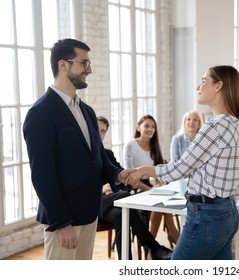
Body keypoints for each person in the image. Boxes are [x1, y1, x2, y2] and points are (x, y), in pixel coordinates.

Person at [22, 38, 133, 260]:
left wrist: (118, 174)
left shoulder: (88, 112)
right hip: (64, 221)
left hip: (89, 215)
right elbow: (43, 175)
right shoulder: (40, 113)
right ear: (63, 65)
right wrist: (61, 222)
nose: (89, 70)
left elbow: (99, 159)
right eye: (84, 63)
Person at [129, 65, 239, 260]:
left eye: (203, 81)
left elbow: (179, 169)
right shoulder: (237, 125)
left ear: (218, 86)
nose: (198, 86)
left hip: (207, 216)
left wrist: (143, 170)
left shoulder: (214, 128)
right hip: (228, 213)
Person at [97, 116, 172, 260]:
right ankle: (153, 247)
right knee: (126, 198)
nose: (99, 133)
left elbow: (119, 175)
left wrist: (114, 185)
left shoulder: (107, 154)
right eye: (97, 129)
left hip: (109, 201)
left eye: (103, 131)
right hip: (93, 202)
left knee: (121, 213)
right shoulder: (83, 153)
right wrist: (102, 188)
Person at [123, 115, 181, 245]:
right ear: (138, 127)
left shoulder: (156, 145)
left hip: (151, 186)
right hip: (134, 187)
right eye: (147, 126)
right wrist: (150, 190)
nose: (150, 129)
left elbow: (159, 172)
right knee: (160, 202)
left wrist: (158, 186)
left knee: (161, 201)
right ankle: (173, 235)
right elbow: (131, 177)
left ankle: (151, 246)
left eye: (153, 127)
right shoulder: (130, 145)